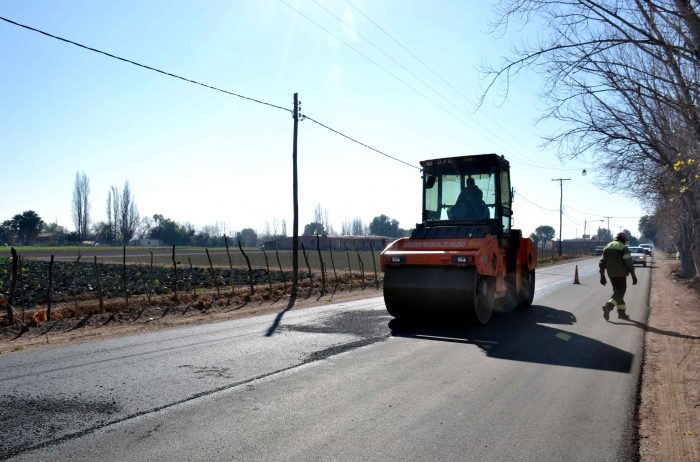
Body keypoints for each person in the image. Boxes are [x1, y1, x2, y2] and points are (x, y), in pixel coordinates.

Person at [599, 232, 637, 320]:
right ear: (623, 239)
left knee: (618, 293)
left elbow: (602, 262)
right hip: (621, 274)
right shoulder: (623, 248)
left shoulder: (607, 246)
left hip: (611, 274)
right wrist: (633, 275)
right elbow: (629, 263)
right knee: (621, 291)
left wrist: (602, 275)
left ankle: (621, 314)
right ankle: (608, 306)